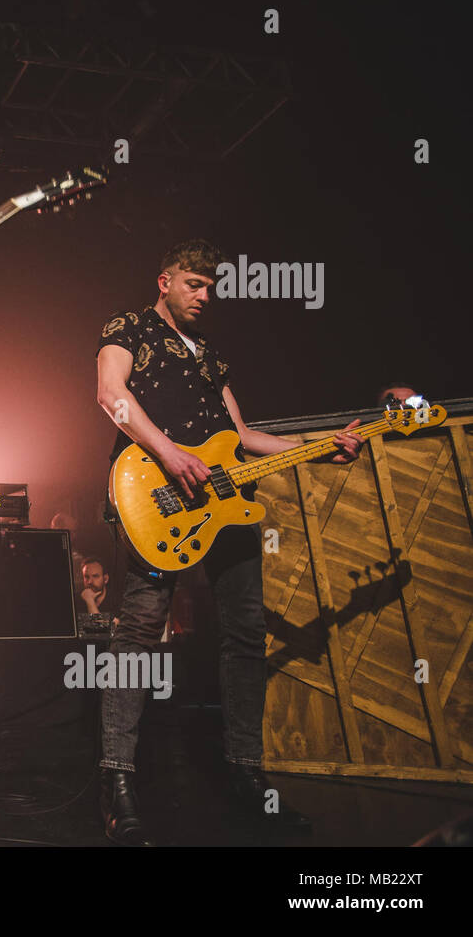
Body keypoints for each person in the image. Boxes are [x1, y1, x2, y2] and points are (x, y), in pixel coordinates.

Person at [94, 239, 363, 845]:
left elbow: (239, 436)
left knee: (243, 633)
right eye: (195, 284)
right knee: (137, 633)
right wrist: (169, 452)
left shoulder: (211, 356)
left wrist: (324, 445)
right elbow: (111, 395)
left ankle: (247, 775)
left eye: (212, 287)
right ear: (165, 281)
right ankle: (117, 783)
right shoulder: (127, 327)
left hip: (223, 506)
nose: (205, 296)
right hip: (152, 495)